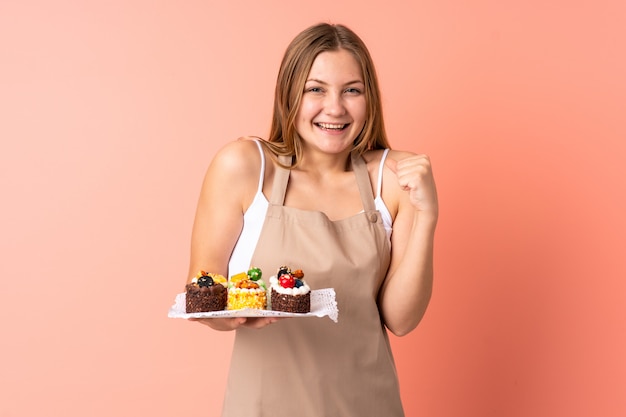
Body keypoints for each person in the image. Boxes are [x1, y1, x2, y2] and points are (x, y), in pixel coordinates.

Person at [185, 22, 438, 417]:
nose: (334, 108)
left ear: (369, 99)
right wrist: (233, 317)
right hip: (263, 407)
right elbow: (203, 290)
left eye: (351, 90)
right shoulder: (245, 167)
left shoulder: (392, 179)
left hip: (368, 405)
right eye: (315, 89)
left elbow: (401, 320)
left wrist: (427, 215)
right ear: (289, 95)